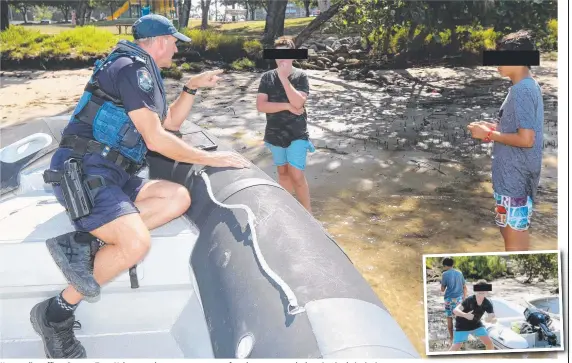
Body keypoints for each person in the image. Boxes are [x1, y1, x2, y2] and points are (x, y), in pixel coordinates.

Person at [31, 14, 250, 358]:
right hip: (86, 172)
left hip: (113, 174)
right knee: (135, 244)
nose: (177, 48)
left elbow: (169, 124)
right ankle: (55, 313)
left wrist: (191, 87)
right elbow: (156, 139)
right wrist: (211, 159)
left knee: (176, 197)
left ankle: (84, 241)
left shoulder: (141, 71)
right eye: (175, 42)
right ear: (160, 41)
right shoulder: (133, 69)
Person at [468, 30, 544, 252]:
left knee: (515, 246)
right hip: (511, 180)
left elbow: (527, 139)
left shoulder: (523, 90)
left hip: (515, 181)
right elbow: (523, 130)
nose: (495, 64)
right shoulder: (525, 87)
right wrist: (493, 128)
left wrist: (488, 135)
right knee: (508, 233)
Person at [256, 36, 315, 213]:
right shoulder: (266, 78)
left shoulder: (301, 76)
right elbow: (261, 106)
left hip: (297, 133)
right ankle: (288, 212)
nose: (281, 59)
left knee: (296, 174)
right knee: (282, 173)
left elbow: (298, 103)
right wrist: (286, 106)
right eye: (277, 55)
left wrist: (283, 78)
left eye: (285, 55)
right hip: (275, 133)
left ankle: (308, 213)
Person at [450, 280, 496, 351]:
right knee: (457, 346)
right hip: (462, 325)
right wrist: (465, 315)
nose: (481, 293)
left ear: (487, 292)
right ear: (476, 291)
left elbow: (491, 315)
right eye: (479, 291)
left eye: (484, 290)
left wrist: (490, 319)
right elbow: (455, 310)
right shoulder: (469, 300)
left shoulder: (487, 303)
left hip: (476, 324)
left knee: (489, 343)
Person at [440, 257, 467, 344]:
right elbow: (464, 287)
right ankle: (461, 339)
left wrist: (442, 285)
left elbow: (442, 289)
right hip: (459, 299)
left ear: (444, 265)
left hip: (449, 299)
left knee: (449, 318)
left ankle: (452, 339)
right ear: (452, 264)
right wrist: (464, 297)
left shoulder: (444, 274)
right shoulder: (459, 273)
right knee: (459, 319)